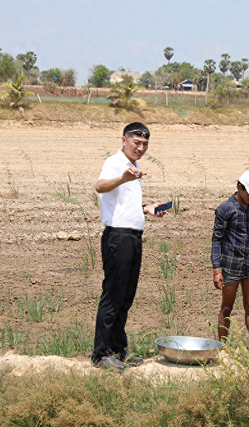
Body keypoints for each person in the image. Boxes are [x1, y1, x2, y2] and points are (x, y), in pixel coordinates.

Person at [91, 122, 166, 371]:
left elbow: (123, 202)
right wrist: (123, 177)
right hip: (118, 237)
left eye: (145, 144)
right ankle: (101, 354)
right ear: (124, 140)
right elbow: (100, 186)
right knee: (113, 294)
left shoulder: (134, 166)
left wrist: (146, 208)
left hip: (133, 236)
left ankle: (118, 349)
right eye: (136, 142)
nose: (141, 148)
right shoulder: (115, 163)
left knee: (126, 296)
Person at [211, 171, 249, 345]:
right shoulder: (225, 209)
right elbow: (216, 240)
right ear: (239, 187)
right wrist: (216, 269)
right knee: (227, 308)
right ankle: (223, 349)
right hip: (231, 266)